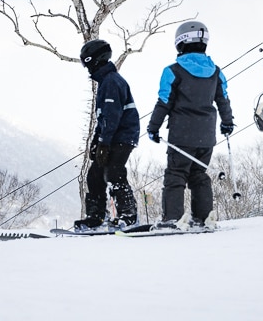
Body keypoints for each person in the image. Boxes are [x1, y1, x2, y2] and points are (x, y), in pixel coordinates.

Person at [145, 20, 234, 230]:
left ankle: (172, 218)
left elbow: (164, 101)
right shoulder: (216, 72)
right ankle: (203, 217)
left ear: (180, 43)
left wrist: (153, 127)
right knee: (199, 174)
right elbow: (224, 100)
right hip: (207, 135)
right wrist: (227, 123)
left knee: (176, 175)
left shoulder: (173, 71)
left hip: (181, 135)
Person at [75, 39, 139, 229]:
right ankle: (96, 217)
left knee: (114, 172)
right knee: (94, 175)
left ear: (95, 60)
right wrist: (97, 141)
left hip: (122, 136)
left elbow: (112, 116)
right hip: (111, 136)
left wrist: (104, 142)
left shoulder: (111, 82)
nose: (87, 69)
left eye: (87, 64)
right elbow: (102, 118)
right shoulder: (106, 81)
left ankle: (129, 215)